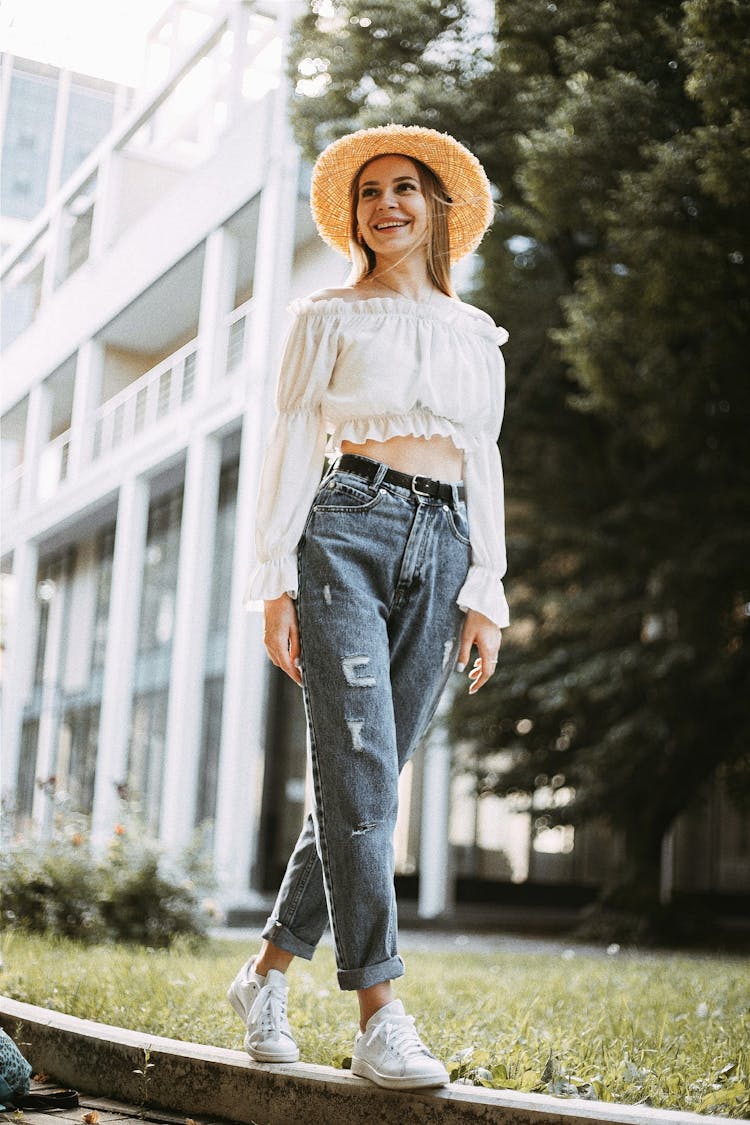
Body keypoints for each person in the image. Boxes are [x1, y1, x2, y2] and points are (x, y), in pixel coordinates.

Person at [227, 124, 509, 1091]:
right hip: (343, 528)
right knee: (359, 770)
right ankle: (379, 1009)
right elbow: (292, 442)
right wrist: (275, 578)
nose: (385, 205)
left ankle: (264, 975)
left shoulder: (477, 335)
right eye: (370, 193)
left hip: (447, 544)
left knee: (366, 780)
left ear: (436, 209)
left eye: (405, 190)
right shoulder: (329, 316)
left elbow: (486, 462)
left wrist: (489, 588)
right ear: (355, 214)